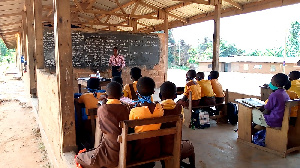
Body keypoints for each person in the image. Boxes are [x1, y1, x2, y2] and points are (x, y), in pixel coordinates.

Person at [76, 82, 130, 168]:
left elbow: (100, 131)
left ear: (106, 95)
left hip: (110, 156)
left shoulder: (102, 109)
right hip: (127, 152)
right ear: (121, 95)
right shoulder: (126, 108)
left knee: (79, 158)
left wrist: (103, 105)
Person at [159, 81, 195, 167]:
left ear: (160, 95)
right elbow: (182, 122)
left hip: (158, 147)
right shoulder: (179, 108)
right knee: (190, 146)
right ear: (175, 96)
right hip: (175, 147)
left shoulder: (156, 108)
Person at [129, 77, 164, 165]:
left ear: (137, 93)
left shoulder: (135, 110)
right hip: (156, 146)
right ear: (153, 92)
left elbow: (130, 127)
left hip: (139, 149)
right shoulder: (159, 108)